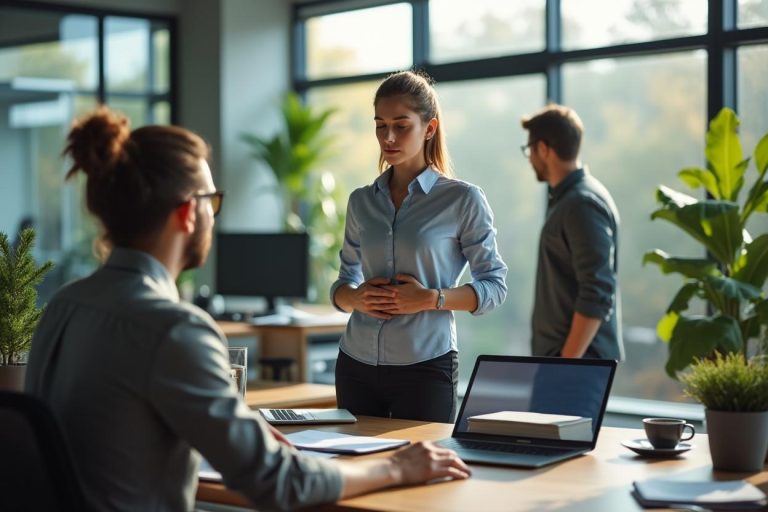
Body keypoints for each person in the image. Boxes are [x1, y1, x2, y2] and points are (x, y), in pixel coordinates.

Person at [24, 106, 470, 512]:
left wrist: (241, 438)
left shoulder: (64, 306)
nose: (214, 217)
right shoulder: (174, 329)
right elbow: (277, 484)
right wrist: (397, 467)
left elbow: (116, 439)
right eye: (211, 202)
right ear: (187, 215)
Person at [331, 70, 508, 423]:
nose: (389, 136)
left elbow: (494, 287)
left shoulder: (462, 199)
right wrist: (355, 298)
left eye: (401, 125)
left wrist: (431, 298)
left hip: (424, 368)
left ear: (429, 128)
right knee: (353, 469)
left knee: (426, 470)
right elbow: (342, 283)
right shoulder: (361, 201)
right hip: (355, 363)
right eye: (380, 125)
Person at [521, 104, 624, 360]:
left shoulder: (581, 203)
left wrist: (567, 362)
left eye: (529, 150)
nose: (530, 158)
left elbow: (597, 291)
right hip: (569, 362)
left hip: (576, 364)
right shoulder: (571, 200)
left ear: (543, 149)